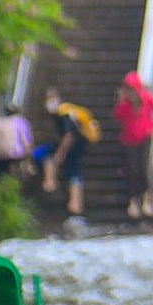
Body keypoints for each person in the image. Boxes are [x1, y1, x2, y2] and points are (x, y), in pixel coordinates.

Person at [112, 72, 153, 220]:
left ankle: (147, 199)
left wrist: (151, 127)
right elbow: (118, 117)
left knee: (143, 168)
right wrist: (121, 102)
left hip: (143, 138)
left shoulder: (146, 98)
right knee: (131, 169)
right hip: (129, 139)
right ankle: (134, 201)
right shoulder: (125, 103)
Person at [42, 88, 97, 221]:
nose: (49, 103)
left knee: (72, 171)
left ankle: (75, 205)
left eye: (51, 99)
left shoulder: (63, 113)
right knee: (70, 170)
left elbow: (69, 135)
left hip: (75, 146)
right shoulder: (65, 113)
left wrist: (59, 155)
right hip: (78, 144)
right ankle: (73, 203)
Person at [0, 101, 34, 180]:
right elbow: (26, 142)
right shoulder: (20, 121)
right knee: (13, 176)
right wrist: (29, 162)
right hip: (14, 154)